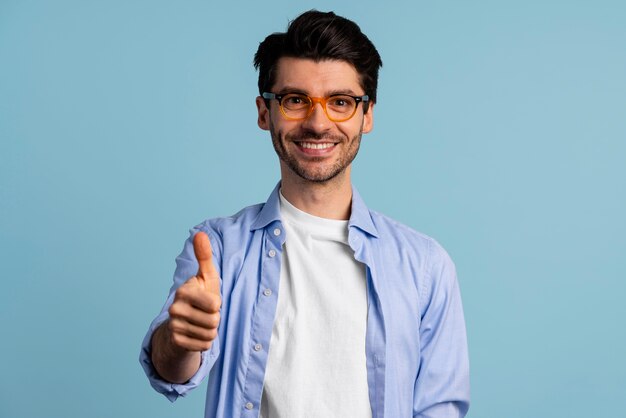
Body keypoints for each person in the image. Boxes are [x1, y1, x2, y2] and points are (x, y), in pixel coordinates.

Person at [140, 10, 470, 418]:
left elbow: (440, 409)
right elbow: (171, 369)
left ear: (366, 115)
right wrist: (180, 339)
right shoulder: (219, 249)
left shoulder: (425, 267)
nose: (318, 123)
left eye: (341, 102)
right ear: (265, 112)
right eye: (296, 100)